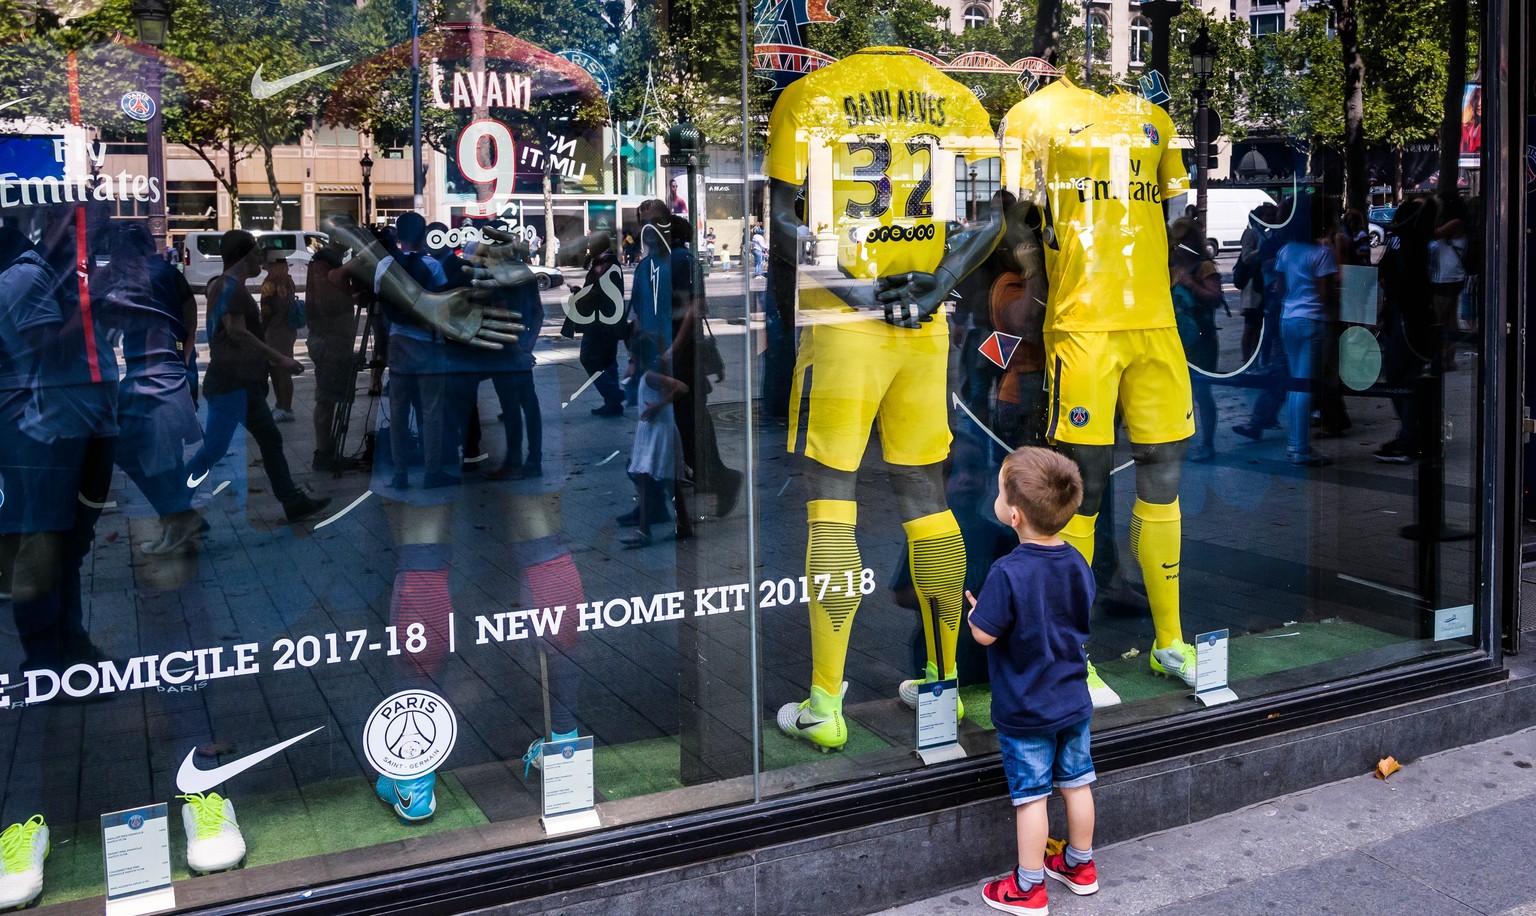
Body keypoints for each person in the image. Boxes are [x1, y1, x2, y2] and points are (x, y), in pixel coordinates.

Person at [768, 47, 1003, 750]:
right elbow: (991, 215)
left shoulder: (810, 94)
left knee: (831, 498)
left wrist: (852, 289)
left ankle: (825, 703)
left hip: (844, 323)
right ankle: (941, 686)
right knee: (925, 499)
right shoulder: (959, 99)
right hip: (922, 322)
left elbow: (783, 221)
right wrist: (940, 279)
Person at [1002, 76, 1200, 686]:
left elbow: (1177, 209)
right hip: (1082, 323)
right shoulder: (1031, 113)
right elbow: (1015, 215)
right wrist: (1039, 278)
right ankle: (1073, 654)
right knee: (1079, 483)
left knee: (1163, 462)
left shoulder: (1152, 116)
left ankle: (1170, 640)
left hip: (1153, 322)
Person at [969, 447, 1099, 914]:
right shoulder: (1078, 559)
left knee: (1031, 799)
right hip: (1072, 700)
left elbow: (984, 634)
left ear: (1015, 515)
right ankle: (1080, 865)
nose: (996, 497)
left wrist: (975, 612)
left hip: (1027, 709)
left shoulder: (1007, 571)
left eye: (1000, 491)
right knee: (1078, 783)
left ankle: (1027, 888)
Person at [183, 230, 331, 523]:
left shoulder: (224, 285)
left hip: (236, 382)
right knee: (219, 448)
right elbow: (237, 331)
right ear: (244, 255)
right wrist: (280, 358)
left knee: (265, 440)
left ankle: (292, 501)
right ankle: (174, 502)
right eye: (256, 254)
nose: (260, 260)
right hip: (231, 382)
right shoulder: (232, 289)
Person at [1273, 200, 1340, 467]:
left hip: (1289, 318)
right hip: (1314, 321)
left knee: (1296, 383)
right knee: (1306, 384)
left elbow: (1280, 288)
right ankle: (1301, 448)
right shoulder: (1321, 254)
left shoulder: (1286, 250)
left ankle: (1295, 443)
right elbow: (1325, 295)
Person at [618, 334, 691, 547]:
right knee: (666, 481)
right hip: (653, 431)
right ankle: (681, 524)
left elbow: (682, 387)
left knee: (647, 479)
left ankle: (644, 530)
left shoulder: (651, 375)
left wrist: (658, 406)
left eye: (632, 358)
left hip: (657, 432)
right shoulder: (646, 374)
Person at [1169, 218, 1225, 463]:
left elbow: (1215, 298)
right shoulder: (1172, 266)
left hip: (1201, 341)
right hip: (1177, 340)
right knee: (1177, 393)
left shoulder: (1203, 267)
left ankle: (1207, 443)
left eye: (1183, 241)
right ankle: (1181, 440)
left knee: (1202, 392)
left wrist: (1192, 285)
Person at [306, 244, 363, 471]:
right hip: (329, 343)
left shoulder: (322, 276)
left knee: (328, 399)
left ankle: (326, 450)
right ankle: (324, 452)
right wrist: (363, 258)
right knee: (327, 399)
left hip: (331, 341)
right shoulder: (323, 268)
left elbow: (340, 297)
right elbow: (337, 278)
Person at [563, 232, 628, 416]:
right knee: (608, 361)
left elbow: (599, 292)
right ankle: (613, 405)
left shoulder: (606, 264)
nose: (589, 247)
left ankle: (614, 395)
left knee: (589, 358)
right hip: (608, 321)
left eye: (591, 243)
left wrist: (581, 296)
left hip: (600, 322)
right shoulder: (605, 263)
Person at [259, 256, 300, 422]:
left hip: (275, 331)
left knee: (280, 371)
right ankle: (281, 405)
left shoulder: (269, 284)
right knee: (278, 370)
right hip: (287, 330)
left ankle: (286, 407)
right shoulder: (288, 281)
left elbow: (266, 311)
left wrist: (261, 329)